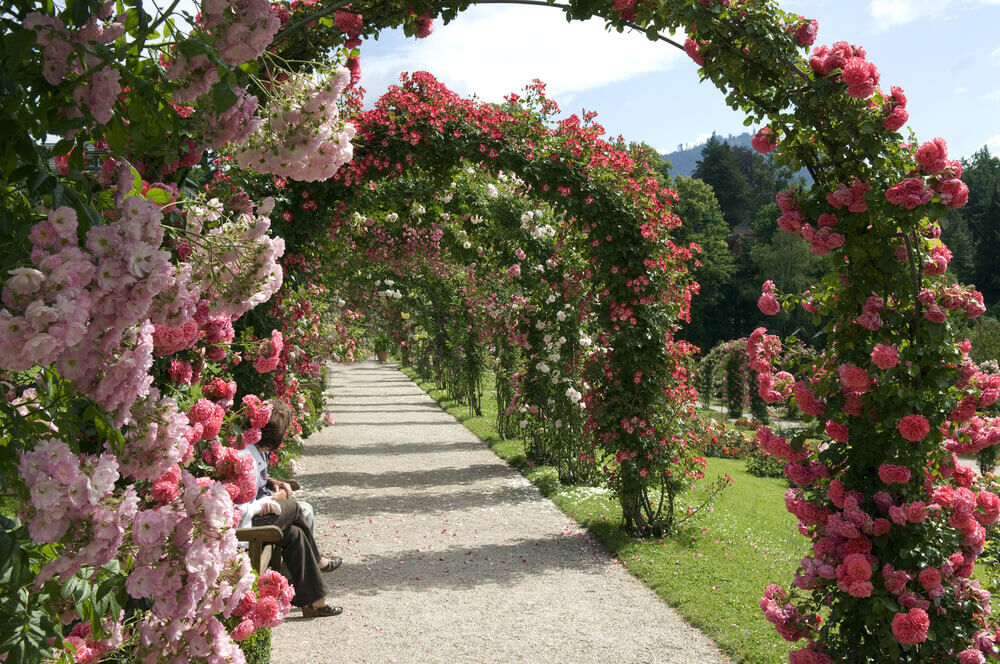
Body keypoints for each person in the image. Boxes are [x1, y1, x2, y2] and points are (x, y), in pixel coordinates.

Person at [237, 401, 343, 617]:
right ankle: (319, 560)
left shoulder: (253, 450)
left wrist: (271, 484)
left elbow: (257, 482)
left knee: (294, 534)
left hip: (256, 515)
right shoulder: (243, 455)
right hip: (245, 525)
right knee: (294, 507)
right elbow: (239, 508)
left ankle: (314, 602)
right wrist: (273, 499)